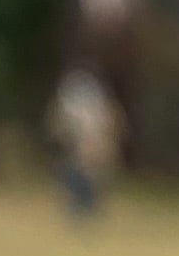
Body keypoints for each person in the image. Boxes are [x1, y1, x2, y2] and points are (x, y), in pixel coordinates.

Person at [46, 67, 124, 219]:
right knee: (76, 177)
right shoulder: (69, 107)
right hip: (77, 149)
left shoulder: (98, 107)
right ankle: (79, 209)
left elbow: (112, 126)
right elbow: (57, 128)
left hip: (92, 146)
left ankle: (89, 209)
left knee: (93, 179)